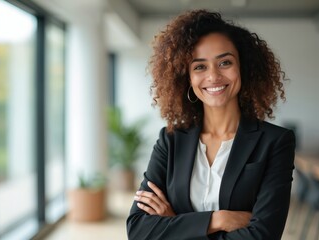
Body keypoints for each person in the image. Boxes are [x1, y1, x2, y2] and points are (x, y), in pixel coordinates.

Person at [126, 9, 295, 240]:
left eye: (225, 62)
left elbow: (263, 235)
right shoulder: (170, 140)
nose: (213, 76)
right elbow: (138, 229)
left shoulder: (275, 142)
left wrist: (174, 221)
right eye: (200, 66)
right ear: (187, 77)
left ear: (243, 68)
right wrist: (218, 219)